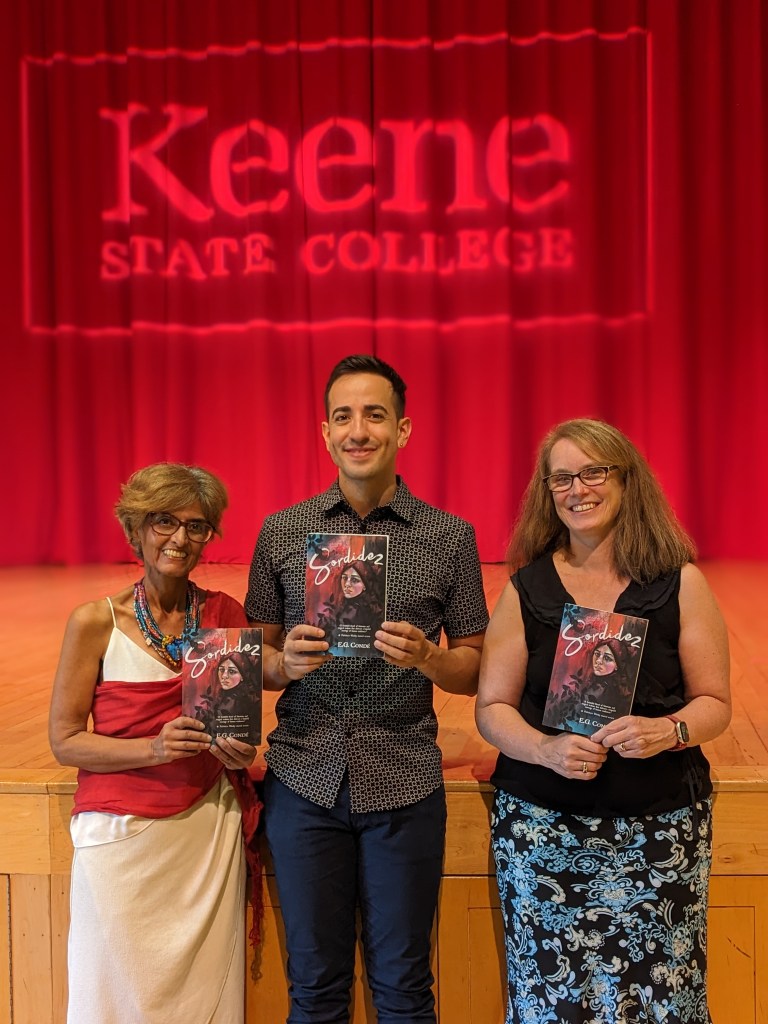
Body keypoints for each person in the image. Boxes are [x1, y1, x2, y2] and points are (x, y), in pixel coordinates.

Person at [245, 353, 489, 1023]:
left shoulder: (449, 537)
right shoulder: (282, 532)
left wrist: (431, 663)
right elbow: (256, 658)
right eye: (343, 416)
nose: (359, 430)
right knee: (314, 990)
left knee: (406, 990)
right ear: (324, 433)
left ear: (403, 430)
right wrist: (282, 665)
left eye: (375, 415)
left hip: (405, 779)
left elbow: (474, 664)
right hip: (303, 777)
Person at [475, 418, 731, 1024]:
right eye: (561, 477)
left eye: (593, 472)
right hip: (543, 830)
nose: (577, 488)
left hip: (661, 833)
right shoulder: (524, 589)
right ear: (546, 490)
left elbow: (715, 703)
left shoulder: (680, 583)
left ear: (627, 481)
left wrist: (669, 731)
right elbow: (490, 709)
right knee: (551, 1002)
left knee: (663, 1001)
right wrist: (542, 749)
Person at [48, 463, 262, 1024]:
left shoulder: (224, 616)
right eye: (164, 522)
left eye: (196, 526)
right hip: (120, 842)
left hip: (206, 838)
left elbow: (240, 734)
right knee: (113, 996)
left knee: (203, 1003)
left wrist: (238, 751)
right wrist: (155, 749)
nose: (180, 539)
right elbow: (66, 741)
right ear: (136, 528)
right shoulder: (93, 621)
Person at [316, 558, 386, 654]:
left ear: (365, 584)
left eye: (354, 580)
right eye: (344, 578)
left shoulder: (371, 612)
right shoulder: (338, 607)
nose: (347, 584)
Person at [192, 649, 262, 738]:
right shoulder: (216, 697)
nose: (224, 676)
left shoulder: (246, 702)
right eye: (221, 670)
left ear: (242, 676)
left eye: (232, 671)